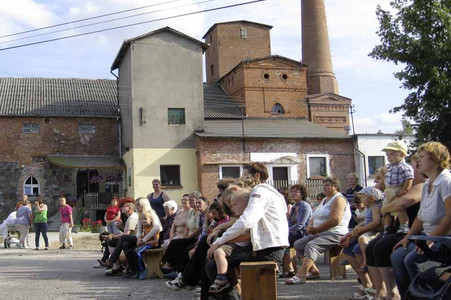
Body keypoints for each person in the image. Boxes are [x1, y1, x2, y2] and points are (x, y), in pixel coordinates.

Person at [204, 162, 289, 299]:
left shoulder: (259, 192)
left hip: (268, 250)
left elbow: (246, 221)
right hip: (269, 247)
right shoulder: (269, 192)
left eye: (245, 177)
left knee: (212, 266)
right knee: (216, 259)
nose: (241, 181)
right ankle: (218, 290)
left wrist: (218, 242)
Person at [391, 142, 451, 299]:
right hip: (428, 236)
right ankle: (408, 296)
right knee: (396, 256)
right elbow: (421, 215)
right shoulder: (427, 184)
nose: (418, 161)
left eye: (422, 157)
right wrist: (407, 237)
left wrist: (432, 240)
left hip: (443, 239)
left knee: (411, 260)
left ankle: (427, 295)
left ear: (435, 159)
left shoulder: (446, 181)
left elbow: (450, 216)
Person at [286, 177, 351, 285]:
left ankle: (301, 275)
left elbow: (335, 220)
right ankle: (313, 271)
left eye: (327, 185)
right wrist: (311, 227)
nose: (324, 187)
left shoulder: (338, 199)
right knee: (298, 244)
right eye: (324, 185)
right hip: (320, 232)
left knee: (311, 246)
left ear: (335, 187)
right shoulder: (325, 200)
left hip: (335, 233)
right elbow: (314, 215)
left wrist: (317, 229)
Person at [341, 187, 383, 296]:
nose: (361, 200)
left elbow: (376, 222)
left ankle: (367, 264)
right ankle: (366, 285)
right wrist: (349, 234)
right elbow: (364, 222)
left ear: (372, 198)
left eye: (363, 197)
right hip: (365, 232)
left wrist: (360, 230)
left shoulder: (375, 207)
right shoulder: (369, 207)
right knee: (348, 248)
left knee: (358, 246)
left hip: (373, 233)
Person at [209, 188, 251, 293]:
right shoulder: (237, 218)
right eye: (231, 206)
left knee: (214, 261)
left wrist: (223, 240)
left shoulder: (249, 218)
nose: (232, 208)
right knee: (218, 252)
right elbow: (230, 228)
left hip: (246, 247)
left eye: (235, 205)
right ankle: (221, 277)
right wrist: (217, 232)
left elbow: (248, 235)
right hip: (234, 244)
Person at [280, 184, 312, 278]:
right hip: (294, 232)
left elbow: (300, 225)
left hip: (304, 233)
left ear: (302, 193)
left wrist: (286, 231)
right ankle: (288, 268)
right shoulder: (294, 206)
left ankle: (289, 268)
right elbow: (290, 223)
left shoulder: (304, 206)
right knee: (281, 239)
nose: (293, 194)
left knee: (284, 240)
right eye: (292, 192)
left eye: (296, 192)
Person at [382, 141, 414, 235]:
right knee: (386, 208)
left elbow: (409, 178)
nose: (389, 157)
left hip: (397, 188)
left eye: (392, 154)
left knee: (399, 209)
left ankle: (404, 225)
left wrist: (405, 189)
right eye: (387, 155)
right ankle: (387, 226)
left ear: (402, 154)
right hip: (389, 189)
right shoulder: (389, 167)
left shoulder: (404, 166)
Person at [104, 202, 139, 275]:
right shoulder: (130, 217)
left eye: (124, 206)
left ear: (129, 208)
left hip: (136, 238)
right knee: (114, 241)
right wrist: (121, 227)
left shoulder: (133, 217)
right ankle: (116, 265)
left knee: (114, 240)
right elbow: (127, 232)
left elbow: (126, 235)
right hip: (130, 238)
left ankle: (113, 262)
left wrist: (112, 236)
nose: (121, 208)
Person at [129, 210, 160, 280]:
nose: (143, 220)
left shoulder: (153, 228)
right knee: (133, 251)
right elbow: (143, 236)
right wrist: (139, 240)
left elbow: (156, 241)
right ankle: (137, 270)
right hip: (145, 244)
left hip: (152, 245)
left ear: (151, 219)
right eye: (142, 219)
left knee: (138, 252)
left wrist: (144, 242)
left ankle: (143, 269)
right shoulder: (144, 227)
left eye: (145, 219)